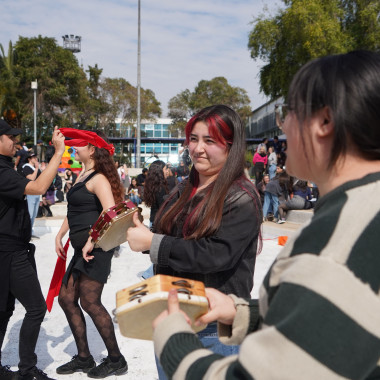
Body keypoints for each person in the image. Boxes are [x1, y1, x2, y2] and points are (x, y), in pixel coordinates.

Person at [150, 50, 380, 379]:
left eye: (288, 114)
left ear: (325, 122)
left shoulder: (338, 242)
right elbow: (321, 322)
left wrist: (174, 343)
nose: (282, 127)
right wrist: (246, 313)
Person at [126, 105, 262, 379]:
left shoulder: (242, 196)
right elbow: (169, 237)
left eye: (210, 140)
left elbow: (214, 255)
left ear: (231, 147)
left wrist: (153, 242)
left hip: (212, 327)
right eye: (194, 138)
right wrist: (140, 232)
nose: (198, 148)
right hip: (173, 317)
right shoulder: (185, 186)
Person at [54, 129, 128, 378]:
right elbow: (73, 211)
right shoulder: (80, 175)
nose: (74, 148)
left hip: (96, 248)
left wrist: (90, 240)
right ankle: (84, 357)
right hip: (80, 248)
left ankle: (116, 360)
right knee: (66, 298)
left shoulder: (99, 179)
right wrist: (60, 234)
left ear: (92, 149)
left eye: (79, 145)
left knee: (89, 301)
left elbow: (109, 213)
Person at [0, 121, 65, 380]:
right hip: (10, 251)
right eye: (11, 136)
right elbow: (38, 188)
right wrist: (58, 153)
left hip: (9, 249)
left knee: (4, 310)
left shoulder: (7, 167)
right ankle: (27, 370)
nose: (16, 141)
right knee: (36, 308)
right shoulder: (1, 171)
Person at [22, 153, 41, 239]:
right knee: (29, 214)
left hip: (37, 193)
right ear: (29, 159)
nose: (35, 158)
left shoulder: (35, 168)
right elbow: (31, 178)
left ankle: (30, 233)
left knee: (34, 215)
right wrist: (37, 168)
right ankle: (25, 234)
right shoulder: (26, 167)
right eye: (33, 157)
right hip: (30, 193)